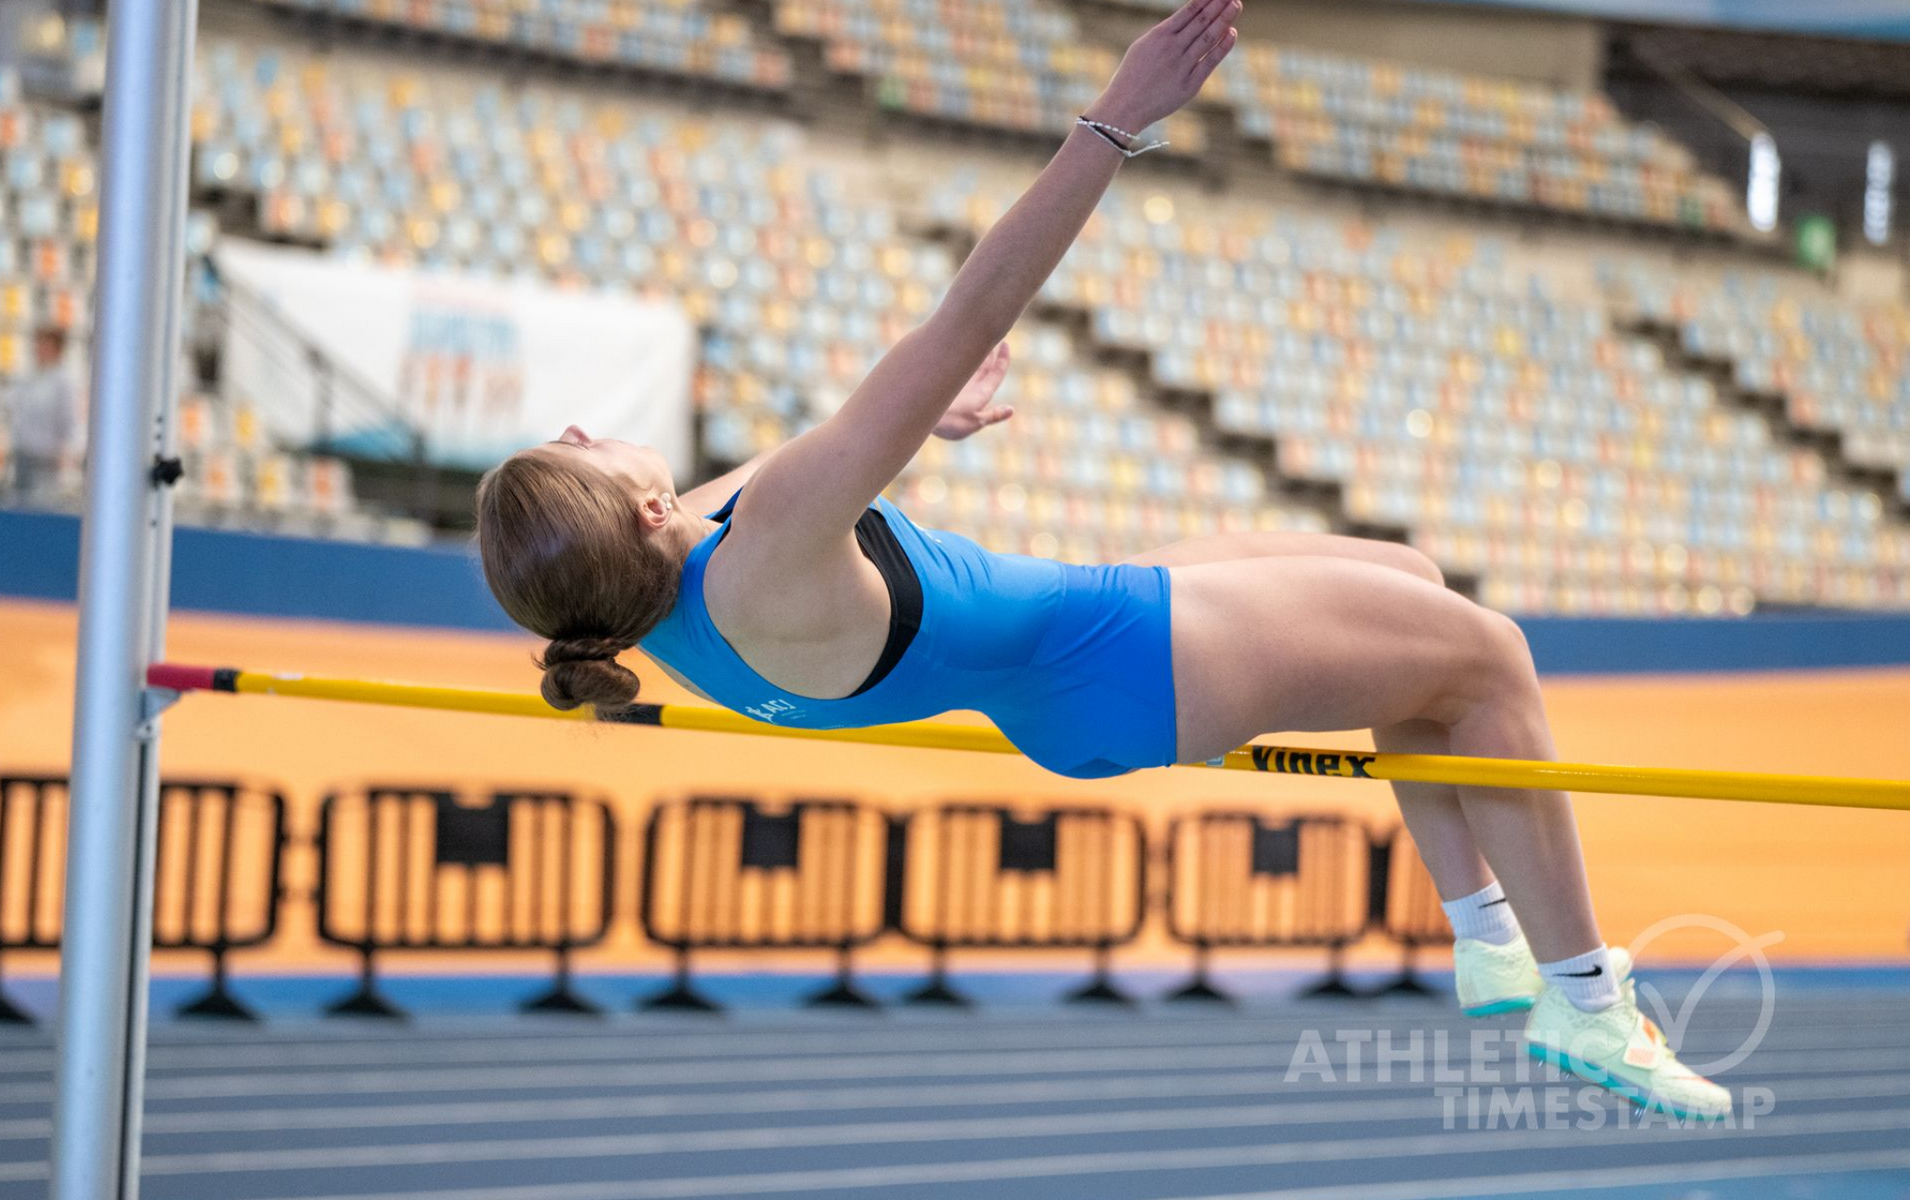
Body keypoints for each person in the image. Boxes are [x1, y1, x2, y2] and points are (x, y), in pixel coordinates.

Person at [475, 0, 1728, 1120]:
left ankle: (1487, 938)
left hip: (1076, 653)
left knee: (1409, 584)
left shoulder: (647, 600)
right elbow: (969, 313)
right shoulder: (761, 544)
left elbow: (758, 488)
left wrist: (921, 423)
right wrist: (1116, 121)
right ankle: (1584, 998)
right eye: (573, 451)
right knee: (1487, 660)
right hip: (1123, 654)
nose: (580, 429)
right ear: (643, 510)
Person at [6, 328, 78, 504]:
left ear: (57, 349)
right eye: (38, 345)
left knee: (41, 504)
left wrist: (66, 455)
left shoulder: (63, 382)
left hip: (46, 462)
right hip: (23, 456)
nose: (39, 350)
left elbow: (68, 421)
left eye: (45, 346)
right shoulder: (30, 377)